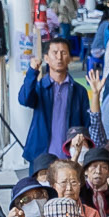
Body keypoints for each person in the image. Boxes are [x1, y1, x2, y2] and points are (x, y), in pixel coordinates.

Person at [20, 38, 95, 166]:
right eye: (55, 53)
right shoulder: (40, 87)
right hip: (42, 156)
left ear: (70, 58)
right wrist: (32, 72)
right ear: (46, 58)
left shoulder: (79, 91)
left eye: (63, 53)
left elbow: (87, 123)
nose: (59, 57)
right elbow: (24, 99)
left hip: (71, 156)